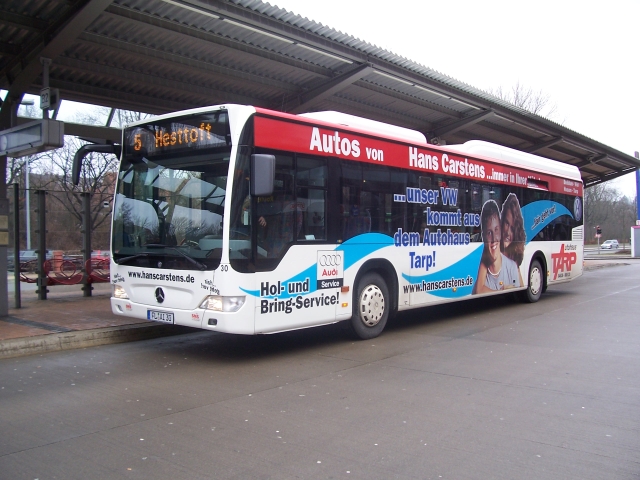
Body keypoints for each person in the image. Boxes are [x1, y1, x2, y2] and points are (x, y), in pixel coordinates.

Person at [472, 199, 521, 294]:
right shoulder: (480, 280)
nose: (494, 239)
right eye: (489, 233)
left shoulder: (512, 267)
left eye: (496, 230)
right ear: (483, 236)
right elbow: (478, 291)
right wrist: (501, 291)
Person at [500, 193, 525, 286]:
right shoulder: (492, 250)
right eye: (506, 223)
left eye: (512, 228)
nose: (508, 232)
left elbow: (520, 285)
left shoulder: (513, 259)